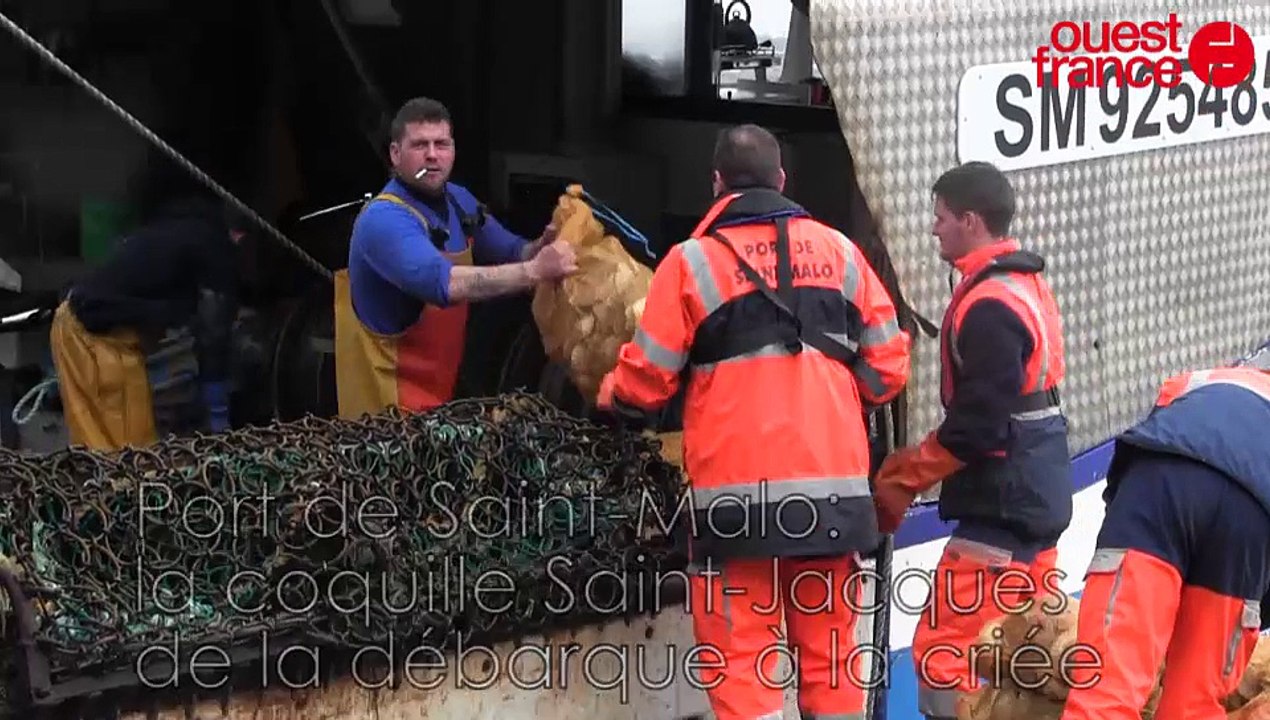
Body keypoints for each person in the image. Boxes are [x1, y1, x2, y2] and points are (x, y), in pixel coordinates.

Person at [596, 124, 912, 720]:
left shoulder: (689, 263)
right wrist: (838, 400)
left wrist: (611, 396)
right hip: (833, 503)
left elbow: (647, 382)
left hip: (736, 508)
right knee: (833, 661)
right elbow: (890, 368)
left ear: (715, 183)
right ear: (783, 181)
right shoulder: (843, 253)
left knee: (743, 668)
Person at [871, 161, 1073, 720]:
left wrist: (902, 476)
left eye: (940, 218)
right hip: (1033, 507)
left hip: (1000, 518)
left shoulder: (989, 306)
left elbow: (980, 424)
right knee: (1023, 664)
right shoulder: (1023, 284)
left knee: (945, 655)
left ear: (969, 220)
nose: (933, 229)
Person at [335, 97, 577, 419]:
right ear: (395, 154)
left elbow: (511, 250)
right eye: (420, 145)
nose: (432, 156)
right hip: (384, 420)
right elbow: (446, 284)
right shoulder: (385, 219)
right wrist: (535, 270)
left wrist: (539, 248)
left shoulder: (458, 202)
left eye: (441, 144)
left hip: (438, 408)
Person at [1059, 362, 1270, 720]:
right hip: (1247, 522)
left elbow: (1144, 445)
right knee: (1192, 705)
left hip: (1156, 495)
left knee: (1106, 694)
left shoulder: (1206, 380)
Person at [49, 196, 246, 451]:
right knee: (122, 451)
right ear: (241, 237)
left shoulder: (182, 230)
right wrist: (217, 406)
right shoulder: (213, 248)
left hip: (88, 328)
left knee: (124, 447)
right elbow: (213, 331)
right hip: (92, 338)